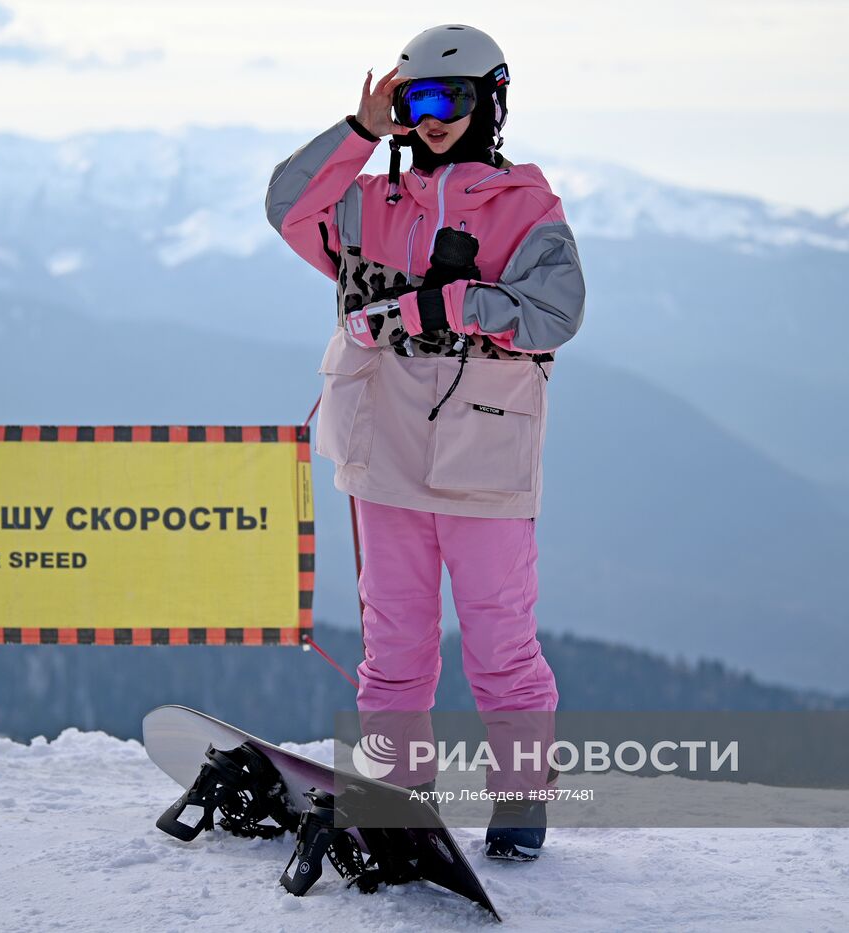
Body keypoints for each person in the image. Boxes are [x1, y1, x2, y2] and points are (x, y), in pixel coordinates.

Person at [265, 23, 586, 861]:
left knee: (501, 643)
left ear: (489, 101)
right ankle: (401, 804)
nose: (432, 117)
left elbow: (557, 311)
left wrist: (452, 306)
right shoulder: (371, 201)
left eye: (448, 98)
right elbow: (286, 206)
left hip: (483, 460)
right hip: (383, 456)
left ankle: (520, 806)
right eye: (416, 100)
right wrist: (362, 130)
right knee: (393, 645)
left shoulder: (525, 206)